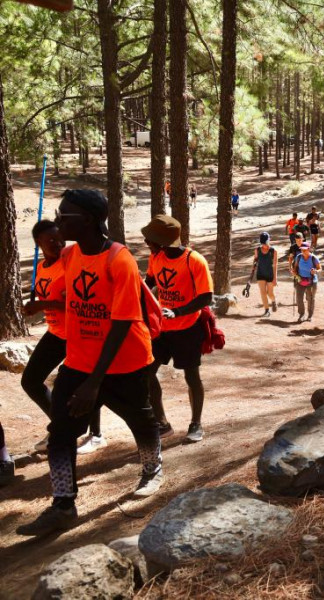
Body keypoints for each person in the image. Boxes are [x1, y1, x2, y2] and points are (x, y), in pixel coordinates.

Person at [16, 189, 162, 536]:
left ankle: (152, 467)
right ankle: (63, 504)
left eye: (64, 216)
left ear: (89, 221)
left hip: (124, 361)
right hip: (80, 360)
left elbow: (122, 321)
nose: (57, 221)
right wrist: (42, 302)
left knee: (141, 420)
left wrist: (94, 383)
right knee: (61, 432)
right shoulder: (69, 255)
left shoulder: (119, 260)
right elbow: (66, 292)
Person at [21, 220, 108, 456]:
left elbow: (75, 301)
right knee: (30, 381)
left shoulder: (70, 263)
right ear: (38, 244)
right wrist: (35, 306)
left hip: (79, 333)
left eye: (60, 238)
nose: (58, 243)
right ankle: (60, 426)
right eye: (50, 241)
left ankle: (96, 434)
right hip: (57, 333)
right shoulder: (42, 267)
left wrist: (42, 304)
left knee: (83, 384)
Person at [143, 215, 214, 443]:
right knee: (146, 372)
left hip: (188, 328)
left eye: (150, 239)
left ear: (163, 241)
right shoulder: (156, 257)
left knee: (192, 376)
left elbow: (206, 297)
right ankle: (162, 423)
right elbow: (150, 282)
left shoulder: (194, 260)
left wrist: (178, 311)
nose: (147, 243)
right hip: (162, 329)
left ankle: (196, 423)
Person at [251, 232, 278, 317]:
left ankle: (273, 301)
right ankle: (267, 310)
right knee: (263, 293)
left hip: (270, 275)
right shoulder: (257, 250)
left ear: (269, 241)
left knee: (270, 293)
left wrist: (275, 278)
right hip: (260, 274)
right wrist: (254, 265)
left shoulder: (273, 251)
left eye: (265, 243)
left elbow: (275, 265)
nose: (264, 245)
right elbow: (255, 260)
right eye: (263, 243)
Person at [293, 242, 320, 323]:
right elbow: (295, 267)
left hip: (311, 281)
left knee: (310, 299)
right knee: (299, 298)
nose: (303, 251)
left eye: (304, 250)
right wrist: (294, 273)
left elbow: (319, 268)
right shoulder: (298, 257)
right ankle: (301, 315)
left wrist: (315, 271)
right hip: (300, 280)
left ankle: (310, 315)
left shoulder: (313, 258)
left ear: (308, 249)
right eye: (301, 249)